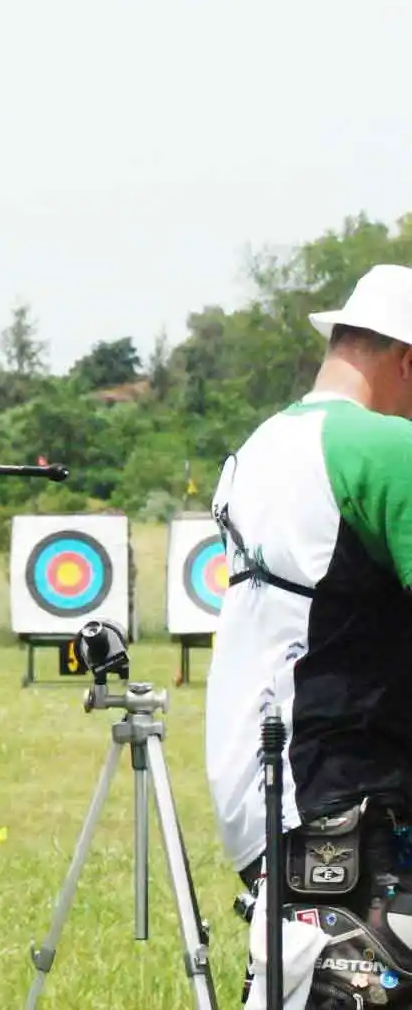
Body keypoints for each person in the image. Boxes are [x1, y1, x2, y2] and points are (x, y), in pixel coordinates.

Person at [206, 263, 412, 1008]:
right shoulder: (383, 447)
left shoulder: (254, 450)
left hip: (269, 797)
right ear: (406, 360)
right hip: (354, 797)